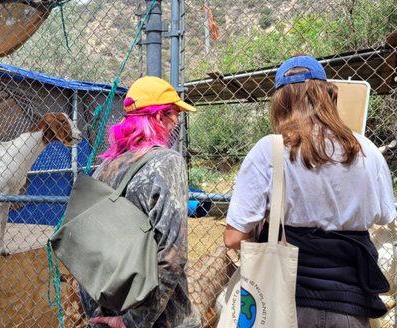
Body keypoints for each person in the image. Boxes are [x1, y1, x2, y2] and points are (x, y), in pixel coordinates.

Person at [223, 55, 397, 328]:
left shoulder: (269, 151)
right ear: (328, 95)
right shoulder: (367, 151)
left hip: (287, 305)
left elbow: (234, 237)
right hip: (350, 306)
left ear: (281, 101)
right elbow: (385, 214)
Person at [80, 76, 200, 328]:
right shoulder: (167, 162)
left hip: (107, 312)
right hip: (160, 321)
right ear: (158, 118)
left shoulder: (102, 169)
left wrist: (98, 317)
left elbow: (83, 250)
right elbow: (171, 257)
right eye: (173, 115)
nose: (175, 123)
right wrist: (132, 322)